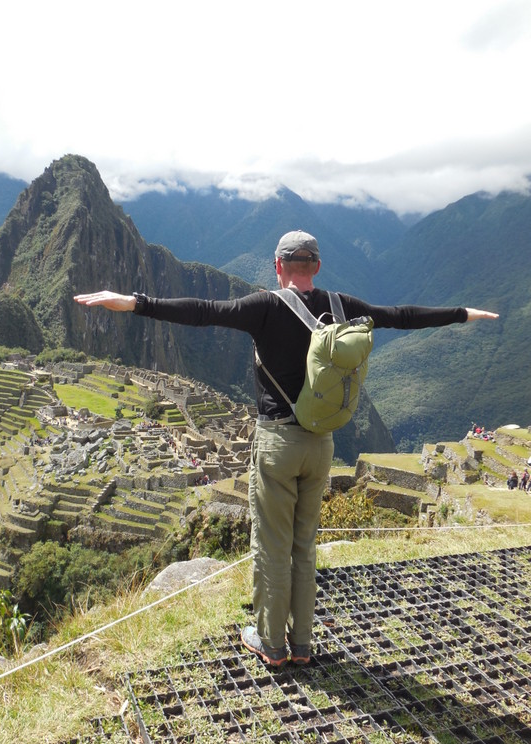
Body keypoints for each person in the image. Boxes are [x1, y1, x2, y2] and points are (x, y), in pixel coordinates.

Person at [75, 230, 499, 667]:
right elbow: (400, 315)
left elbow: (204, 312)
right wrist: (462, 313)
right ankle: (301, 644)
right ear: (316, 266)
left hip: (278, 443)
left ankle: (270, 642)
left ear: (277, 267)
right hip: (322, 446)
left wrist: (133, 302)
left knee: (273, 545)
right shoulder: (343, 307)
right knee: (304, 544)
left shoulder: (265, 307)